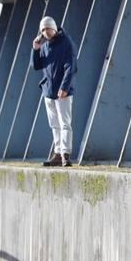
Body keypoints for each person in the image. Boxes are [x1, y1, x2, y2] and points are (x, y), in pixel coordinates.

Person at [31, 16, 77, 167]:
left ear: (54, 28)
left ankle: (65, 155)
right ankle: (57, 153)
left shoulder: (66, 43)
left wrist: (64, 87)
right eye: (42, 30)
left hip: (62, 92)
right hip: (48, 92)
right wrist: (35, 50)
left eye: (47, 28)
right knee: (54, 125)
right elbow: (36, 66)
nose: (45, 32)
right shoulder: (44, 46)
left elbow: (71, 67)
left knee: (65, 124)